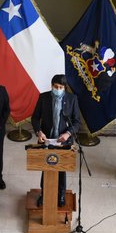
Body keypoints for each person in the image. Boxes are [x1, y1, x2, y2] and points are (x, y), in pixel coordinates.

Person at [31, 74, 81, 207]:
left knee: (61, 168)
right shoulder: (44, 97)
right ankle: (44, 193)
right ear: (51, 86)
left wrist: (68, 133)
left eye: (60, 87)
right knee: (46, 166)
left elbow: (77, 122)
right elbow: (35, 118)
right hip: (47, 139)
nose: (58, 89)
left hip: (63, 140)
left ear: (64, 88)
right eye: (55, 87)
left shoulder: (72, 99)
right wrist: (39, 132)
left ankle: (61, 194)